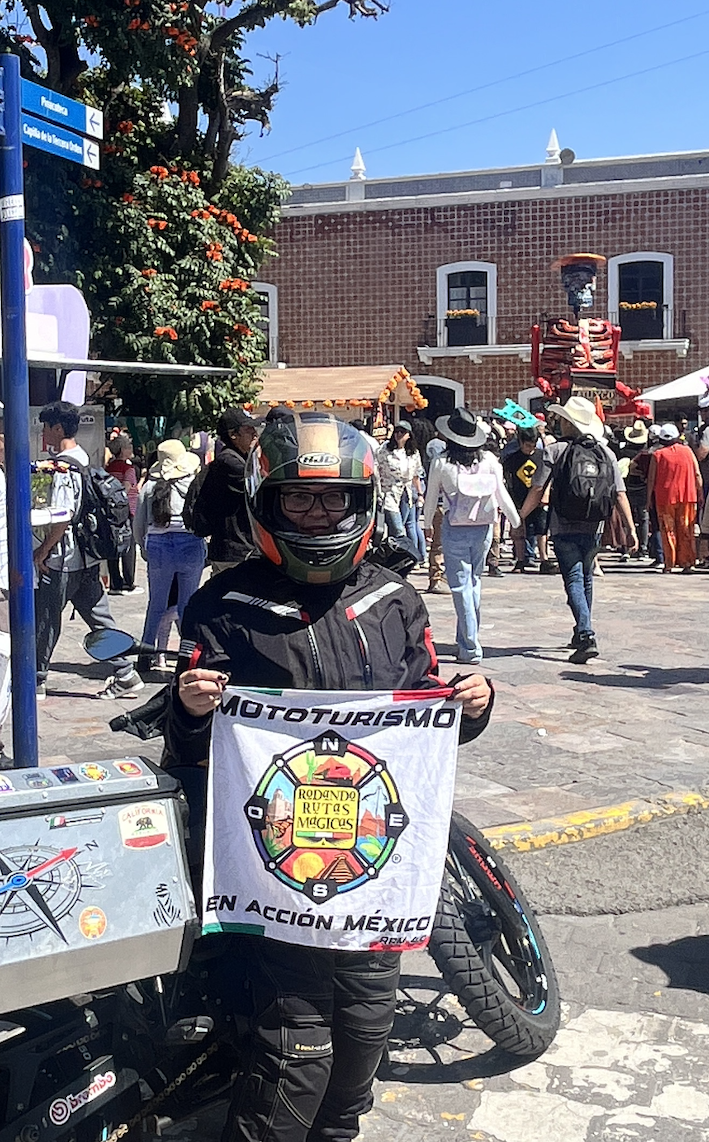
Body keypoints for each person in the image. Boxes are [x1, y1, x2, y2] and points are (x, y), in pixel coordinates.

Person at [164, 411, 493, 1142]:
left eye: (333, 497)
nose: (317, 512)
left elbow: (424, 719)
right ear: (267, 503)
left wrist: (470, 706)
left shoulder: (394, 599)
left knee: (367, 1025)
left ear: (361, 502)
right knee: (295, 1046)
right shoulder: (224, 604)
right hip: (273, 866)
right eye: (299, 498)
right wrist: (189, 707)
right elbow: (187, 750)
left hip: (371, 863)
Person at [34, 401, 144, 700]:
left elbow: (63, 515)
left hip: (64, 558)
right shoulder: (83, 458)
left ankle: (36, 679)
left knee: (45, 618)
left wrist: (43, 550)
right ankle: (126, 673)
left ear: (58, 429)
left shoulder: (63, 467)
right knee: (100, 618)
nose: (43, 433)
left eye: (46, 427)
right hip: (88, 557)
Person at [519, 396, 637, 664]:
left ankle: (586, 634)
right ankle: (581, 628)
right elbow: (620, 494)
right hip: (594, 525)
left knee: (573, 578)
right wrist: (630, 528)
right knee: (586, 577)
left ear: (568, 423)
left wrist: (520, 517)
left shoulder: (555, 451)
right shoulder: (605, 452)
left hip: (563, 525)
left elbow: (537, 488)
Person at [423, 408, 520, 665]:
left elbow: (431, 496)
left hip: (454, 527)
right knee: (474, 581)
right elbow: (501, 494)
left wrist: (427, 523)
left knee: (460, 586)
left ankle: (469, 646)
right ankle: (466, 637)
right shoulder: (489, 460)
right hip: (484, 527)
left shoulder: (442, 463)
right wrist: (515, 521)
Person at [133, 440, 205, 670]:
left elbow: (138, 524)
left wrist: (144, 548)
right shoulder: (193, 483)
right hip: (190, 543)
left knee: (156, 604)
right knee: (187, 605)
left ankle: (145, 655)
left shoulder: (150, 486)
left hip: (158, 546)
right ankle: (188, 657)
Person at [186, 408, 260, 577]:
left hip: (237, 547)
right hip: (234, 550)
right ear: (233, 435)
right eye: (248, 429)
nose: (254, 434)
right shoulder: (229, 461)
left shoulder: (239, 458)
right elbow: (259, 488)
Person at [647, 423, 702, 573]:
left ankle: (669, 564)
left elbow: (651, 479)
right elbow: (697, 474)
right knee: (686, 529)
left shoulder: (657, 455)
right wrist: (700, 493)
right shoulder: (688, 451)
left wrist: (648, 499)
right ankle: (687, 562)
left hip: (664, 498)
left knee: (667, 530)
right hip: (688, 496)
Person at [502, 426, 557, 574]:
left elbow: (549, 477)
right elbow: (508, 479)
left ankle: (544, 560)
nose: (530, 449)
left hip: (539, 500)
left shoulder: (542, 456)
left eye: (533, 445)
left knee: (541, 531)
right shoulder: (512, 459)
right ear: (520, 442)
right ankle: (520, 560)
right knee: (519, 530)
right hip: (519, 499)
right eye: (527, 445)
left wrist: (546, 494)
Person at [376, 420, 423, 558]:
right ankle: (404, 557)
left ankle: (404, 558)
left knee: (409, 525)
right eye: (397, 431)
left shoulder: (413, 453)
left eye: (403, 432)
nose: (399, 434)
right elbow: (376, 470)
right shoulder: (384, 449)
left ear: (409, 435)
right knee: (398, 529)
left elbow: (416, 475)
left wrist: (420, 494)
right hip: (388, 493)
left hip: (406, 493)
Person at [106, 432, 143, 595]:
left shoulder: (109, 468)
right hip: (128, 510)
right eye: (128, 447)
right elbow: (127, 488)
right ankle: (129, 582)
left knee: (113, 544)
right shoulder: (128, 469)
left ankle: (115, 582)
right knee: (129, 545)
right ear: (122, 450)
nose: (131, 449)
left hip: (111, 511)